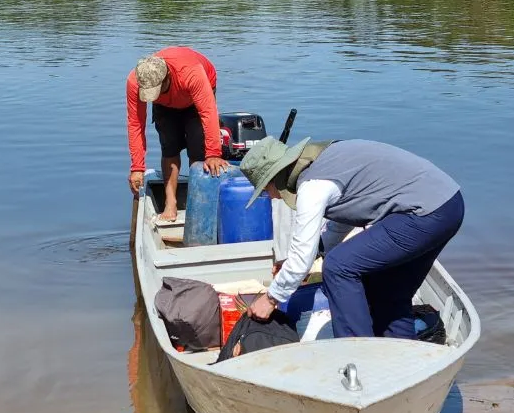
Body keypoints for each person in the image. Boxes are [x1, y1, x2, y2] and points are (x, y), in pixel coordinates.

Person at [239, 136, 464, 339]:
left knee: (338, 266)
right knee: (389, 293)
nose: (270, 197)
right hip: (449, 204)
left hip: (423, 213)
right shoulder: (325, 161)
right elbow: (344, 220)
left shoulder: (312, 187)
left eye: (265, 189)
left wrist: (270, 299)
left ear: (276, 177)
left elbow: (302, 258)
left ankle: (358, 355)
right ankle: (406, 362)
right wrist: (312, 254)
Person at [126, 46, 229, 221]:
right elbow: (135, 124)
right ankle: (170, 203)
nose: (151, 96)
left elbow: (208, 113)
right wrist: (137, 167)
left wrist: (213, 153)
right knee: (169, 146)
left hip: (196, 93)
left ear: (166, 77)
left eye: (155, 91)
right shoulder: (135, 81)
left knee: (198, 151)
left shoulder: (191, 73)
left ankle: (198, 203)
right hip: (166, 105)